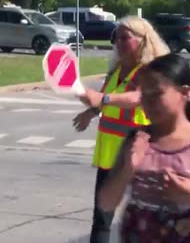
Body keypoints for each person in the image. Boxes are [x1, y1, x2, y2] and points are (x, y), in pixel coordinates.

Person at [98, 54, 190, 242]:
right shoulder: (137, 141)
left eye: (157, 94)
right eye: (144, 95)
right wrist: (127, 169)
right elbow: (106, 203)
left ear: (184, 92)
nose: (148, 103)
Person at [72, 15, 170, 243]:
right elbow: (102, 101)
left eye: (125, 37)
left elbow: (136, 97)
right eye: (116, 37)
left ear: (143, 40)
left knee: (145, 218)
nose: (118, 42)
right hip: (110, 155)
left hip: (139, 155)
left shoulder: (149, 71)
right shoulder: (117, 69)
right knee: (101, 218)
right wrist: (88, 107)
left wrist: (102, 99)